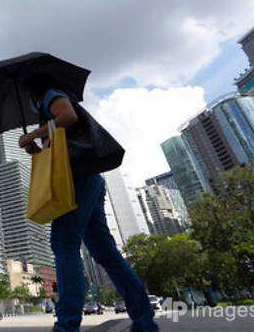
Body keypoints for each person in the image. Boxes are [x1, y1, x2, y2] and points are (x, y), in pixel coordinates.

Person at [18, 87, 159, 332]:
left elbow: (69, 116)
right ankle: (144, 321)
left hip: (77, 179)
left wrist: (34, 133)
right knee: (105, 253)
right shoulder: (46, 114)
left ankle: (67, 325)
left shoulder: (49, 93)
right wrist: (34, 147)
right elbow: (58, 150)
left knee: (64, 245)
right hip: (87, 179)